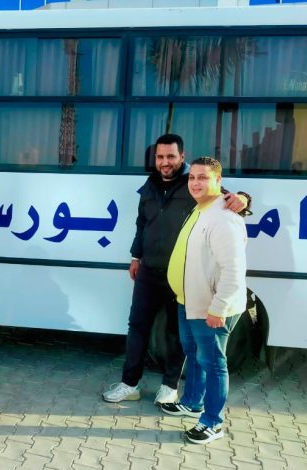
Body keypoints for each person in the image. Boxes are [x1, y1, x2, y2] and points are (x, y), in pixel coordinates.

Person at [103, 134, 250, 405]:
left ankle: (169, 387)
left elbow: (229, 199)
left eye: (171, 156)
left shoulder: (194, 183)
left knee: (176, 333)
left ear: (182, 157)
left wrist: (244, 198)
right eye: (160, 157)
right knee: (137, 327)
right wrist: (136, 256)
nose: (165, 162)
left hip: (182, 274)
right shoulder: (149, 185)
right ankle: (130, 384)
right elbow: (141, 223)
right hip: (148, 270)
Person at [161, 156, 248, 444]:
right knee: (194, 353)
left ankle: (213, 422)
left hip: (211, 308)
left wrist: (218, 308)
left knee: (213, 363)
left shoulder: (224, 218)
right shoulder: (201, 209)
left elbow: (233, 270)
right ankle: (192, 402)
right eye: (192, 177)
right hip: (189, 301)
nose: (195, 183)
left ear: (218, 181)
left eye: (203, 177)